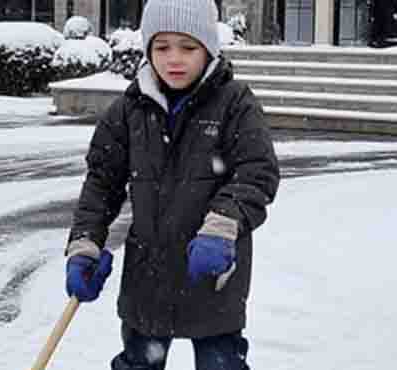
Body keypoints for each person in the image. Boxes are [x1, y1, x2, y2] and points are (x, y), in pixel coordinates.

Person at [64, 0, 280, 369]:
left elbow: (256, 171)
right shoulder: (128, 110)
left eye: (188, 47)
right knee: (139, 362)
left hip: (214, 276)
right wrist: (85, 243)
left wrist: (222, 225)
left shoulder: (234, 104)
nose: (174, 59)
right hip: (148, 275)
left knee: (220, 363)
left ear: (209, 48)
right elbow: (101, 183)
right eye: (162, 47)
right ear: (148, 49)